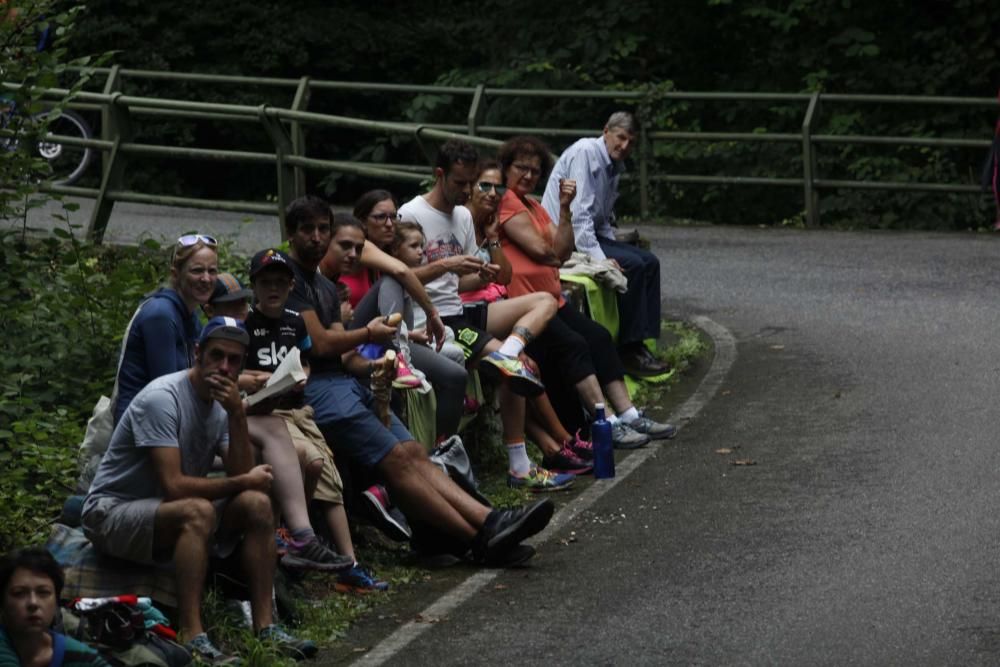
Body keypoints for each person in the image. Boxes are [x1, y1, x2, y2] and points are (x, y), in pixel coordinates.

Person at [282, 195, 554, 564]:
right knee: (398, 459)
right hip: (312, 392)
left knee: (413, 452)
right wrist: (368, 335)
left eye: (322, 230)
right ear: (291, 234)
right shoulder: (286, 278)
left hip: (345, 381)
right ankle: (484, 531)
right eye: (309, 231)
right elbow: (325, 342)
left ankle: (479, 527)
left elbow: (345, 358)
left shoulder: (326, 287)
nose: (316, 238)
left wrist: (380, 367)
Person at [81, 317, 316, 664]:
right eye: (216, 355)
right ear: (197, 354)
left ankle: (266, 626)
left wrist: (237, 414)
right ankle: (193, 633)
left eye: (234, 360)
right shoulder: (163, 398)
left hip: (163, 507)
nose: (224, 367)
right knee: (199, 510)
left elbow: (238, 471)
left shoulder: (222, 403)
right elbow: (175, 485)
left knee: (257, 503)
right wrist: (242, 481)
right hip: (112, 512)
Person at [399, 139, 576, 491]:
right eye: (460, 184)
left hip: (461, 311)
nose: (467, 192)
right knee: (520, 371)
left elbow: (458, 281)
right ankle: (521, 466)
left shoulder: (462, 215)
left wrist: (479, 274)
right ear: (440, 175)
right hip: (431, 321)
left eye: (471, 184)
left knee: (540, 306)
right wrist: (447, 265)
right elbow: (400, 278)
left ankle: (507, 355)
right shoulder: (411, 214)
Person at [499, 135, 676, 447]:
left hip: (552, 299)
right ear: (506, 169)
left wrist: (565, 209)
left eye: (535, 171)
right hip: (527, 305)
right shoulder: (506, 205)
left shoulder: (535, 206)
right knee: (575, 344)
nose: (528, 175)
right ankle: (604, 422)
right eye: (520, 168)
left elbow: (563, 252)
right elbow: (545, 251)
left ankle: (629, 414)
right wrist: (554, 249)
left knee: (599, 337)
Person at [244, 248, 388, 593]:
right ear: (255, 286)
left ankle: (346, 564)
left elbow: (305, 359)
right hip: (266, 411)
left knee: (327, 474)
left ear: (291, 285)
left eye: (281, 282)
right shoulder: (247, 324)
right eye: (266, 283)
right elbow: (236, 370)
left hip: (299, 408)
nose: (274, 289)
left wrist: (302, 374)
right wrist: (260, 379)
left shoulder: (295, 321)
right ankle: (292, 537)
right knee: (309, 461)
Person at [204, 273, 354, 573]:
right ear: (209, 310)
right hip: (211, 422)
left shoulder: (247, 331)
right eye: (231, 307)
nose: (241, 312)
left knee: (297, 448)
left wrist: (262, 386)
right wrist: (249, 381)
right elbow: (207, 385)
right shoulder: (210, 337)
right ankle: (291, 539)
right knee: (296, 453)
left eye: (243, 305)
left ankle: (303, 536)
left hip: (243, 415)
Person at [465, 161, 592, 474]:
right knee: (528, 359)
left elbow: (505, 276)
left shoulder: (490, 224)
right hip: (469, 312)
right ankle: (562, 440)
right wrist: (481, 276)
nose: (493, 194)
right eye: (485, 186)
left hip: (496, 306)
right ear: (469, 187)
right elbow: (455, 285)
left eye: (498, 188)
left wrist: (494, 238)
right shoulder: (461, 221)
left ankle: (552, 447)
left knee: (528, 365)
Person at [541, 112, 669, 377]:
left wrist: (613, 246)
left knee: (649, 261)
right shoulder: (587, 152)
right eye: (620, 138)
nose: (624, 146)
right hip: (564, 234)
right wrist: (600, 259)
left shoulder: (613, 165)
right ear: (606, 132)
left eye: (630, 142)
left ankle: (643, 342)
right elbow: (579, 216)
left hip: (588, 233)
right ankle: (629, 351)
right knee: (631, 265)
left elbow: (601, 219)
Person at [113, 234, 218, 424]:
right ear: (175, 274)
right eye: (197, 271)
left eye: (212, 271)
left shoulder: (191, 315)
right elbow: (166, 392)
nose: (206, 278)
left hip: (172, 419)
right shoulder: (161, 315)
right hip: (143, 428)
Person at [0, 547, 109, 666]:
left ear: (56, 600)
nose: (33, 602)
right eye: (19, 593)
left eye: (43, 592)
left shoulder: (83, 658)